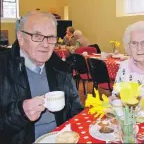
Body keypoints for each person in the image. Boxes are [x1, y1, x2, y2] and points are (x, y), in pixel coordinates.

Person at [0, 11, 84, 143]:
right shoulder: (3, 67)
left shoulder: (60, 68)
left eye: (51, 37)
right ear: (20, 37)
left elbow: (76, 111)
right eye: (37, 36)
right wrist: (20, 113)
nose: (45, 44)